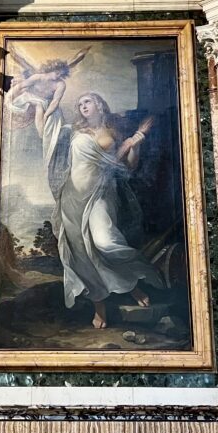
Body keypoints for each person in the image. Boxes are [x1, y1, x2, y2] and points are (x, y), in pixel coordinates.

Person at [33, 84, 163, 330]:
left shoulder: (113, 132)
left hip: (101, 193)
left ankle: (132, 284)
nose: (83, 106)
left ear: (99, 105)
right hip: (72, 198)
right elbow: (44, 133)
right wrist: (41, 104)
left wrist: (134, 145)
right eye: (80, 103)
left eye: (88, 101)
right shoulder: (73, 131)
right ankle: (99, 306)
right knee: (82, 254)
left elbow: (128, 166)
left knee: (105, 243)